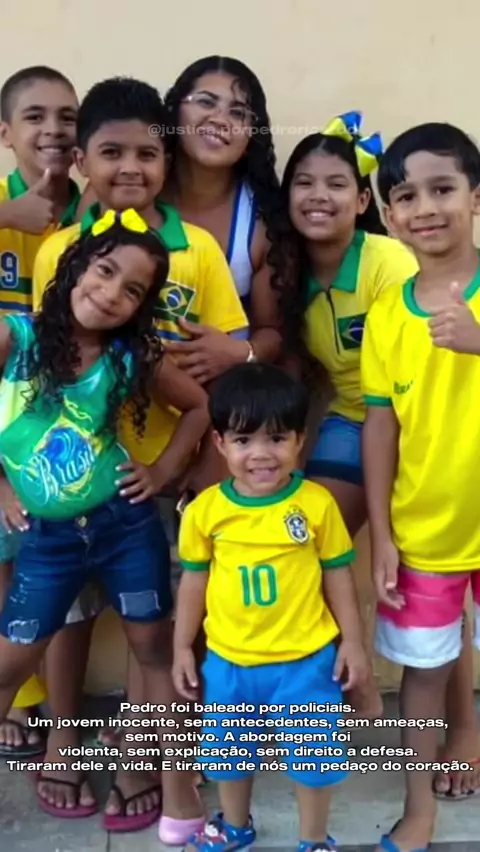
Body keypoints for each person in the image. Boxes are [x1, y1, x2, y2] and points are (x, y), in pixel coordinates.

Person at [32, 76, 248, 836]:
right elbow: (42, 361)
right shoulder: (60, 250)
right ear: (81, 162)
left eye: (148, 154)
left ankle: (140, 753)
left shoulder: (199, 250)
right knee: (68, 615)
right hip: (69, 477)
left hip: (161, 477)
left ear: (168, 160)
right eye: (112, 152)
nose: (131, 167)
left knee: (151, 624)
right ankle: (61, 739)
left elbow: (224, 363)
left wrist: (189, 469)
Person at [0, 207, 210, 828]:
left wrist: (162, 472)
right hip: (47, 540)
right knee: (11, 660)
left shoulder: (129, 357)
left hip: (125, 527)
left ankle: (177, 789)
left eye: (133, 290)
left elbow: (200, 407)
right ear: (75, 267)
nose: (112, 292)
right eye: (105, 270)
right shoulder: (16, 338)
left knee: (155, 651)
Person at [173, 362, 369, 852]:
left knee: (315, 761)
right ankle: (235, 825)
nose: (261, 454)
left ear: (300, 440)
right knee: (227, 756)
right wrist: (181, 648)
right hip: (229, 661)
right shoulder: (205, 512)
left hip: (306, 662)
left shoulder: (317, 504)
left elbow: (338, 576)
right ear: (219, 443)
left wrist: (353, 643)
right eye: (243, 440)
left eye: (277, 438)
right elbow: (193, 583)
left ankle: (314, 839)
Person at [275, 113, 418, 719]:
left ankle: (462, 731)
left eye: (336, 184)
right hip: (351, 418)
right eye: (304, 183)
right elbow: (294, 372)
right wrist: (285, 459)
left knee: (424, 572)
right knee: (305, 541)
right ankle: (343, 678)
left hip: (420, 423)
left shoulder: (388, 262)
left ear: (362, 201)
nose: (318, 196)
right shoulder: (285, 273)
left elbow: (420, 372)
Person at [361, 122, 480, 852]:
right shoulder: (386, 315)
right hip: (425, 529)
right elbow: (380, 427)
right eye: (407, 196)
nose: (426, 208)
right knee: (425, 670)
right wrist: (382, 531)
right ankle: (419, 805)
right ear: (388, 215)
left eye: (443, 189)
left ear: (476, 197)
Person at [0, 65, 81, 759]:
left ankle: (63, 717)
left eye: (67, 117)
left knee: (55, 571)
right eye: (35, 116)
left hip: (66, 426)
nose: (53, 130)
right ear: (6, 133)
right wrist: (6, 217)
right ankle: (21, 696)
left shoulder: (93, 210)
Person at [161, 54, 283, 378]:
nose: (220, 119)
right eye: (206, 102)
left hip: (222, 394)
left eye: (238, 112)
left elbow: (274, 330)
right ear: (174, 111)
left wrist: (241, 353)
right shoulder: (132, 184)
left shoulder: (263, 219)